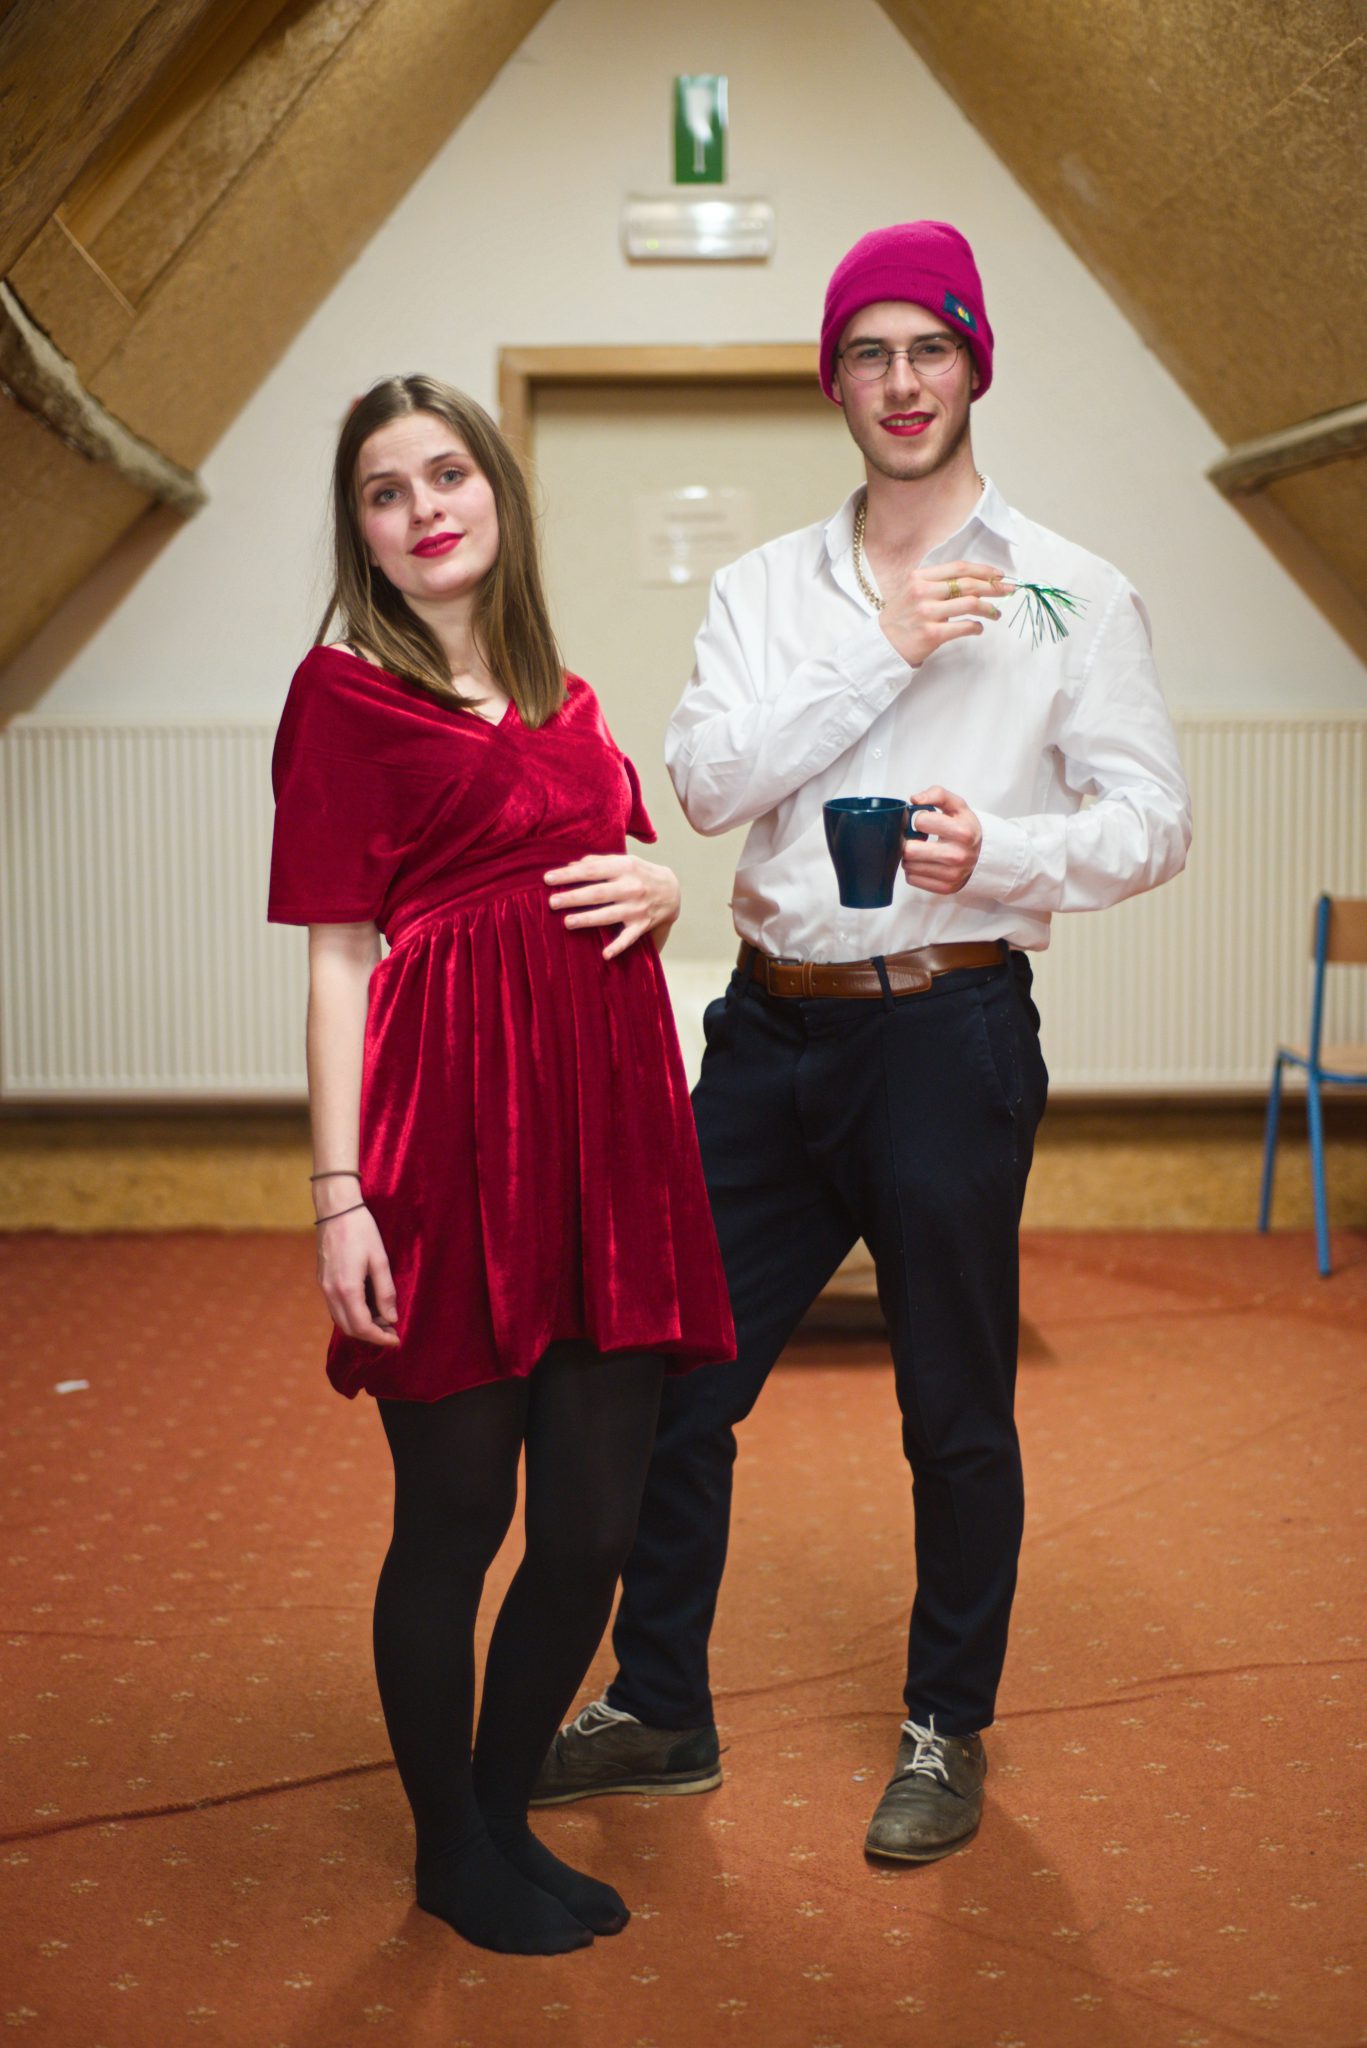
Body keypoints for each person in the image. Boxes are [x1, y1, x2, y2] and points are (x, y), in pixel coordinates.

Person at [532, 221, 1192, 1864]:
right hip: (766, 1034)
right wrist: (880, 645)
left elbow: (1155, 821)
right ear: (834, 380)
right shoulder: (766, 591)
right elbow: (707, 787)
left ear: (975, 366)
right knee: (673, 1383)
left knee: (953, 1409)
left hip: (947, 1031)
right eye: (870, 353)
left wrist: (1011, 854)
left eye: (930, 348)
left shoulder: (1071, 592)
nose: (903, 382)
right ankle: (659, 1704)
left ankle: (945, 1726)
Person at [267, 375, 734, 1954]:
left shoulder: (571, 700)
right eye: (384, 491)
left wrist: (666, 887)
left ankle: (499, 1810)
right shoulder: (342, 696)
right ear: (363, 533)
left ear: (497, 494)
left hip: (609, 1142)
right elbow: (340, 958)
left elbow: (614, 864)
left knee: (595, 1522)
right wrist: (339, 1195)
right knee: (456, 1515)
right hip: (449, 1144)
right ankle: (449, 1849)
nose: (423, 509)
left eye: (446, 473)